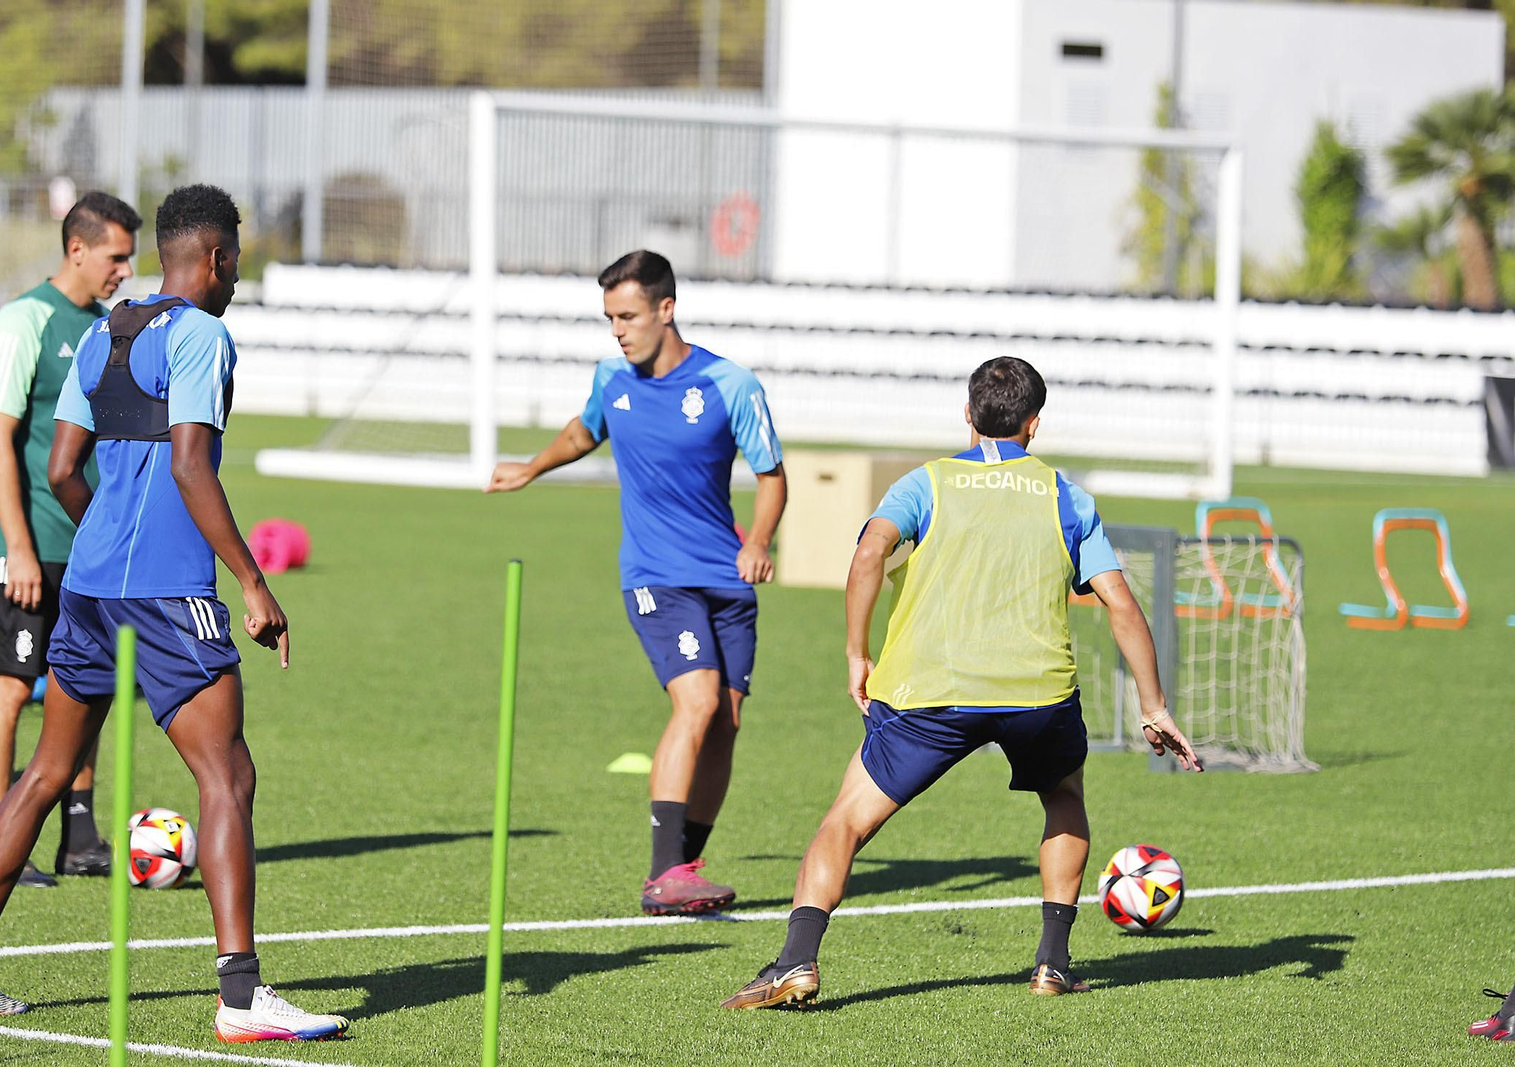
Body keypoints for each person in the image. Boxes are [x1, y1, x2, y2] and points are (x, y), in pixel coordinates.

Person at [0, 183, 350, 1041]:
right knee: (227, 776)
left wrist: (108, 543)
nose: (233, 276)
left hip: (88, 588)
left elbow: (62, 469)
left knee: (44, 774)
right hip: (167, 594)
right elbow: (193, 466)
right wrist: (253, 580)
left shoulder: (103, 329)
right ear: (217, 257)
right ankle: (240, 998)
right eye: (233, 260)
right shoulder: (202, 334)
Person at [720, 356, 1202, 1010]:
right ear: (1034, 424)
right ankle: (1052, 964)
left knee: (847, 819)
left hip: (929, 689)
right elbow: (1120, 602)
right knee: (1063, 794)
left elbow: (868, 554)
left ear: (969, 416)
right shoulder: (1066, 495)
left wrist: (856, 653)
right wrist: (1154, 704)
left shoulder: (927, 483)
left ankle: (796, 961)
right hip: (1038, 693)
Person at [487, 249, 787, 916]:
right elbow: (583, 430)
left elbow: (772, 475)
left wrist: (760, 540)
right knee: (699, 700)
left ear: (665, 309)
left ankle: (687, 862)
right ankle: (664, 873)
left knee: (728, 721)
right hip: (654, 575)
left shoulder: (730, 385)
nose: (617, 330)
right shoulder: (610, 378)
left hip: (726, 574)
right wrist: (532, 467)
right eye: (609, 318)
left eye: (627, 316)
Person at [0, 192, 142, 886]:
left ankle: (79, 832)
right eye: (117, 255)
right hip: (28, 540)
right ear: (77, 249)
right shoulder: (23, 322)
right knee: (13, 683)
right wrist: (16, 544)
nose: (126, 270)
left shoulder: (106, 327)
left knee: (86, 684)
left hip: (87, 543)